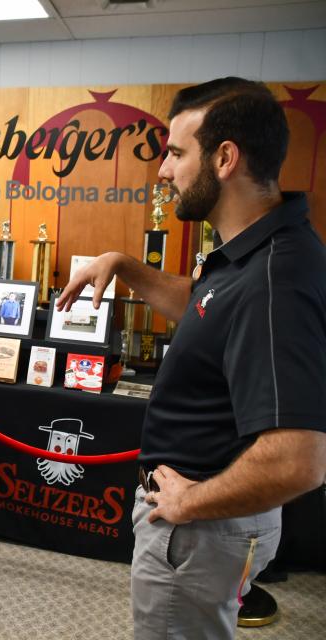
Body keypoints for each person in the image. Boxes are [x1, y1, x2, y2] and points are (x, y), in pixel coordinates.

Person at [56, 77, 326, 639]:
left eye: (177, 153)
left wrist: (190, 505)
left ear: (225, 158)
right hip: (208, 521)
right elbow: (206, 309)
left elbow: (298, 461)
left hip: (201, 524)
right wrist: (126, 265)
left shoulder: (274, 280)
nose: (163, 170)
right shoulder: (247, 253)